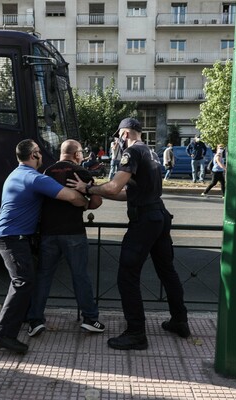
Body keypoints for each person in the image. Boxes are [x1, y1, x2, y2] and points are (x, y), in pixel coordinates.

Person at [67, 117, 190, 351]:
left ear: (124, 135)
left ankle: (136, 333)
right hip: (159, 216)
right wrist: (100, 193)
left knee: (127, 275)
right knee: (167, 271)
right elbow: (127, 193)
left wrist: (88, 189)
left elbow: (115, 186)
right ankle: (180, 321)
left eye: (118, 137)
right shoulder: (150, 152)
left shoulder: (131, 154)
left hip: (145, 220)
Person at [0, 139, 88, 354]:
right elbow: (71, 195)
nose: (42, 155)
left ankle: (20, 320)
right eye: (39, 151)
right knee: (22, 281)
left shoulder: (17, 173)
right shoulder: (33, 178)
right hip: (11, 237)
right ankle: (3, 335)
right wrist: (85, 199)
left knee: (25, 280)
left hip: (12, 236)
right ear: (34, 155)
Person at [27, 140, 105, 337]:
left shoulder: (46, 172)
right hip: (74, 233)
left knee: (44, 276)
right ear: (76, 154)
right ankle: (90, 319)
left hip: (48, 233)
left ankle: (35, 320)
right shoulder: (82, 173)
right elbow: (96, 201)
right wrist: (84, 202)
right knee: (80, 276)